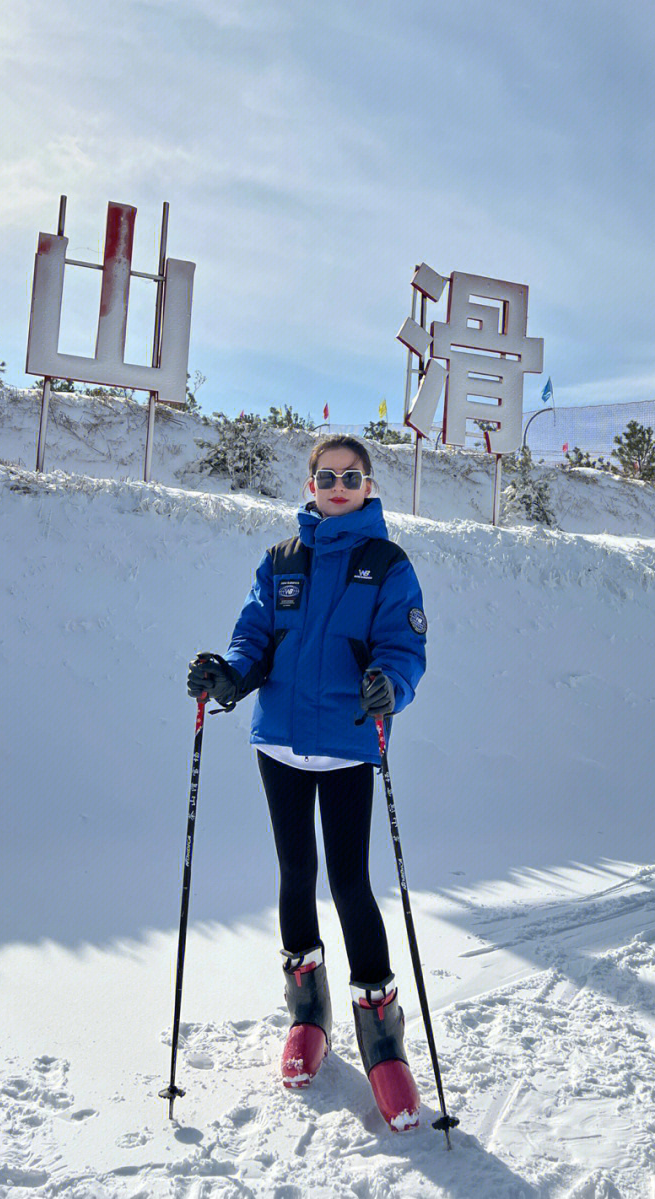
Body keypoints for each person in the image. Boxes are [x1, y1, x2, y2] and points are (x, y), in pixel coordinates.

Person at [187, 434, 428, 1125]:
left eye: (352, 476)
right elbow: (254, 636)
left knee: (350, 882)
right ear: (311, 484)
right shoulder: (280, 560)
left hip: (350, 744)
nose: (339, 485)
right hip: (282, 743)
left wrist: (392, 684)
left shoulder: (387, 564)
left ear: (368, 483)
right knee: (296, 872)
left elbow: (403, 648)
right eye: (327, 475)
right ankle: (307, 1013)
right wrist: (228, 675)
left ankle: (383, 1040)